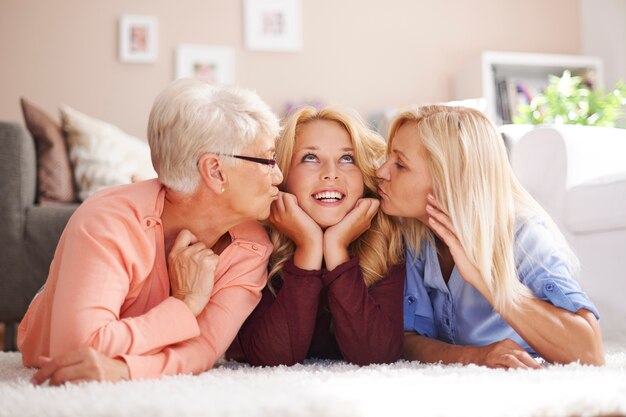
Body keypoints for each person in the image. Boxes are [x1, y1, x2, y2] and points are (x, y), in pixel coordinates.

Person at [18, 78, 284, 384]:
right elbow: (78, 352)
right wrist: (184, 305)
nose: (277, 174)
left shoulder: (251, 246)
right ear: (215, 171)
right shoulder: (106, 221)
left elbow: (205, 348)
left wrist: (125, 370)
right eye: (267, 159)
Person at [375, 104, 605, 368]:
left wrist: (490, 283)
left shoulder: (523, 235)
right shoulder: (413, 238)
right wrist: (475, 357)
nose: (381, 172)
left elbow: (590, 353)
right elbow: (405, 339)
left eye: (400, 164)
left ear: (449, 178)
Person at [227, 106, 405, 366]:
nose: (331, 173)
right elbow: (271, 358)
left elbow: (377, 356)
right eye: (310, 158)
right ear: (283, 176)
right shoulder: (254, 245)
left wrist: (337, 250)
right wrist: (308, 248)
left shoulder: (384, 241)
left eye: (347, 159)